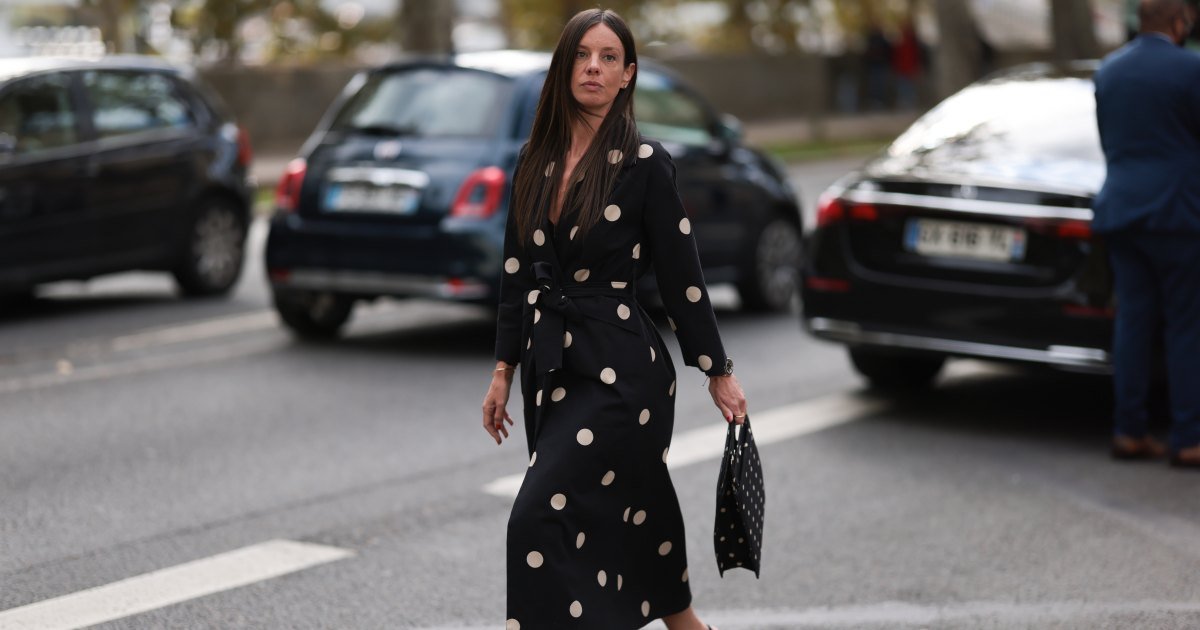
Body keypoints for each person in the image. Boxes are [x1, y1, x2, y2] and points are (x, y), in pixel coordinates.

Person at [480, 8, 749, 629]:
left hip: (623, 373)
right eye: (581, 55)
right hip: (552, 369)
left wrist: (718, 370)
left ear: (628, 75)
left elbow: (684, 280)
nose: (593, 68)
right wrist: (502, 369)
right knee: (632, 507)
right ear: (564, 65)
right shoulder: (534, 157)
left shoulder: (645, 163)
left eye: (608, 58)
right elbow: (518, 272)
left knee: (537, 516)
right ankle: (685, 625)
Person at [1093, 0, 1200, 468]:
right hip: (1178, 215)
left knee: (1133, 322)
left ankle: (1129, 430)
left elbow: (1111, 140)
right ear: (1179, 21)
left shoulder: (1108, 72)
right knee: (1185, 327)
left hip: (1121, 209)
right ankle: (1188, 438)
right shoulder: (1190, 68)